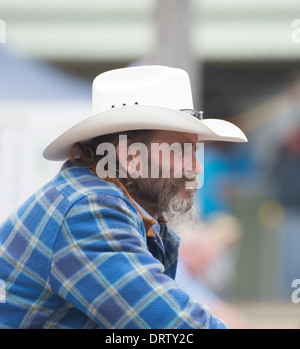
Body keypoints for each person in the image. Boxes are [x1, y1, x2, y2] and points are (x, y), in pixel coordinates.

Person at [0, 65, 247, 329]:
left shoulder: (100, 201)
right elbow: (175, 326)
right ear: (131, 158)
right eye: (181, 150)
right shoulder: (90, 210)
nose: (197, 168)